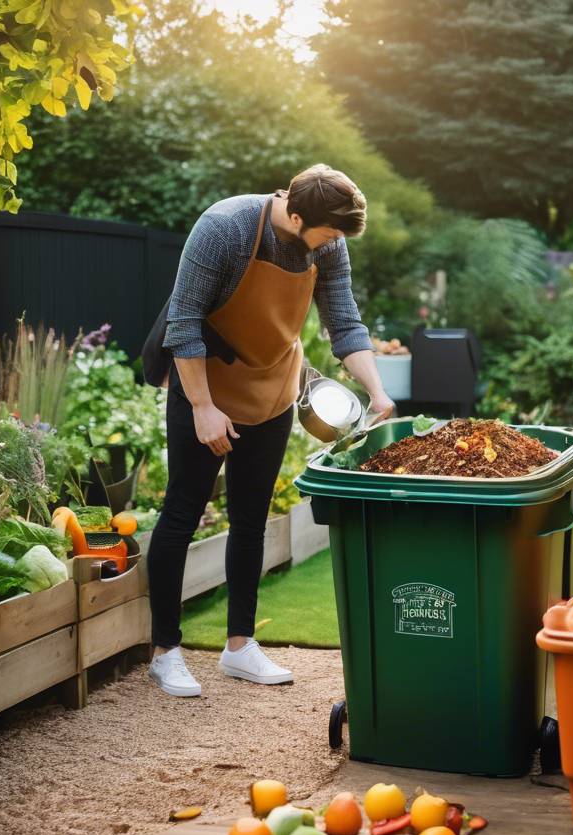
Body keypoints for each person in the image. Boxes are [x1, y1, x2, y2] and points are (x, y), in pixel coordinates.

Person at [146, 164, 395, 697]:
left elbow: (343, 319)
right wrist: (203, 407)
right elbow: (183, 322)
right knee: (182, 511)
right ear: (297, 213)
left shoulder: (326, 242)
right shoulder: (225, 228)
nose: (332, 245)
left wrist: (376, 390)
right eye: (328, 233)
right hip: (206, 384)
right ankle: (165, 651)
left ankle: (240, 648)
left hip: (274, 384)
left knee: (252, 518)